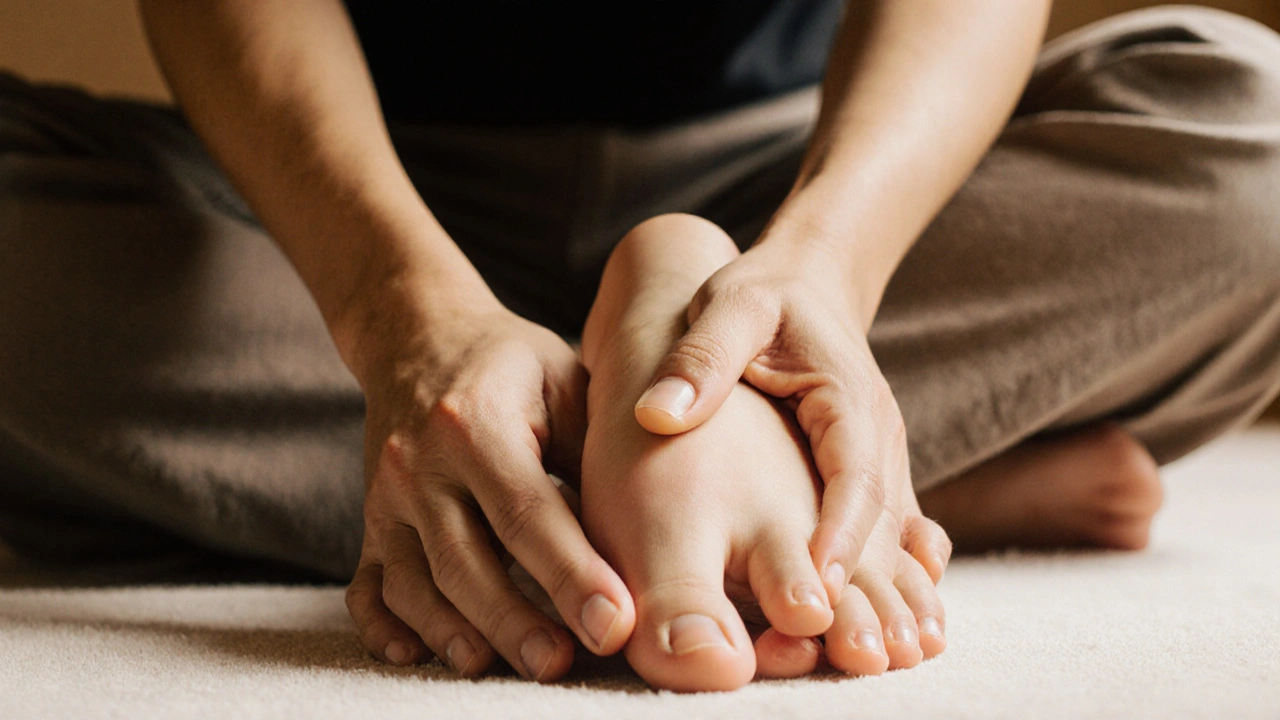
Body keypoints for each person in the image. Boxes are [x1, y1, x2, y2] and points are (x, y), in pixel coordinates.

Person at [0, 0, 1278, 693]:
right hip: (346, 204)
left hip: (783, 181)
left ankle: (593, 443)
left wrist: (819, 271)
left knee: (1252, 145)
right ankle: (761, 462)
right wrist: (404, 326)